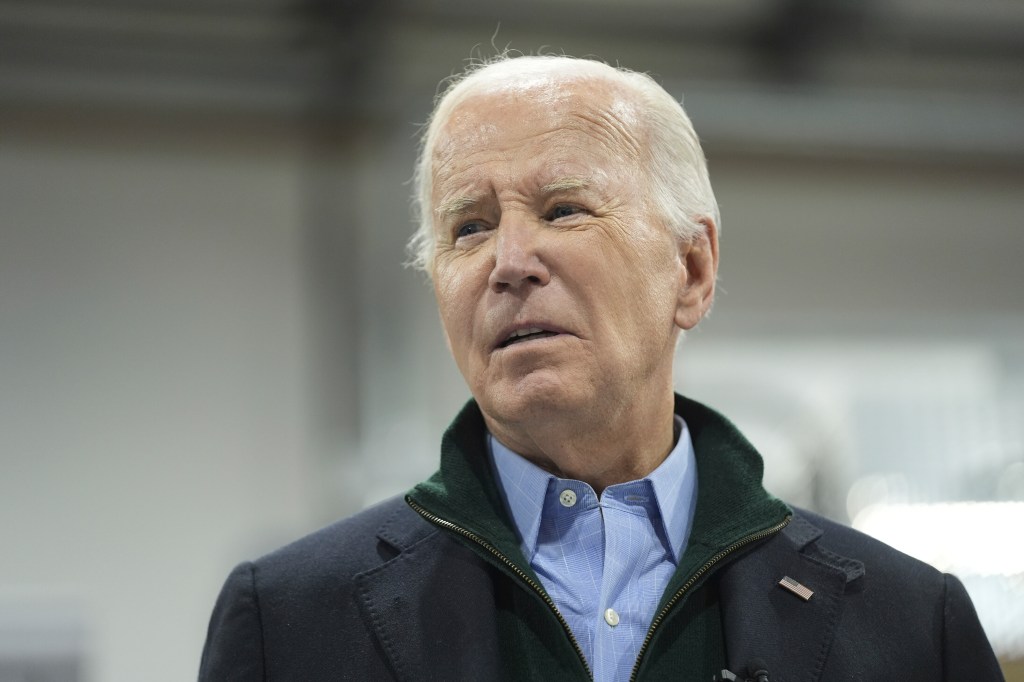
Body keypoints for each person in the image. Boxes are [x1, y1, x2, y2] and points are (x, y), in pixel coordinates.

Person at [199, 55, 1003, 681]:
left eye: (564, 210)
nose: (510, 262)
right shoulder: (288, 621)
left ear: (691, 270)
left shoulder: (910, 624)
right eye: (469, 228)